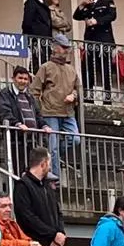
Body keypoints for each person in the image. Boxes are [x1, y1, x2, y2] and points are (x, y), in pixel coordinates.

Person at [32, 35, 81, 178]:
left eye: (67, 47)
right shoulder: (45, 67)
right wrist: (39, 110)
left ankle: (54, 171)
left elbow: (77, 88)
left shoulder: (71, 70)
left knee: (75, 139)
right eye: (63, 47)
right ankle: (55, 178)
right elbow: (35, 90)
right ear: (55, 47)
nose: (65, 50)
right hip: (50, 112)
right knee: (52, 148)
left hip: (68, 112)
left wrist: (74, 95)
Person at [12, 147, 67, 246]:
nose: (50, 168)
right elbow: (27, 217)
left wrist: (60, 233)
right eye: (49, 164)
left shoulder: (47, 186)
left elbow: (58, 212)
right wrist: (53, 234)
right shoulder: (23, 186)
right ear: (43, 164)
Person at [73, 0, 118, 104]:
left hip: (104, 41)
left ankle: (107, 98)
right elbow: (76, 16)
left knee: (105, 70)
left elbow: (112, 15)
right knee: (89, 70)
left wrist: (97, 21)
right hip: (90, 42)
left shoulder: (107, 1)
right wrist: (82, 5)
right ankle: (89, 97)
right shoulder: (87, 5)